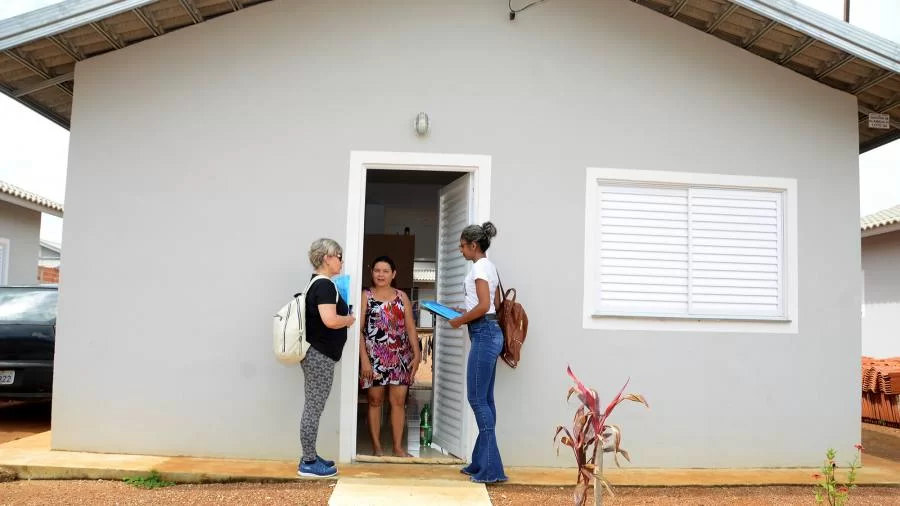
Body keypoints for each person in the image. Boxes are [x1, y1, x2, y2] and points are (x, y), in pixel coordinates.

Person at [448, 222, 508, 483]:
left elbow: (484, 306)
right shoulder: (489, 267)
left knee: (477, 399)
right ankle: (481, 462)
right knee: (486, 400)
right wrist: (465, 312)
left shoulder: (480, 268)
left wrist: (460, 320)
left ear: (474, 245)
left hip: (484, 333)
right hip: (489, 332)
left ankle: (491, 470)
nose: (460, 250)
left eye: (462, 245)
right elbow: (494, 304)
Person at [298, 238, 355, 478]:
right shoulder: (324, 286)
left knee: (314, 405)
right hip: (319, 356)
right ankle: (308, 462)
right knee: (313, 407)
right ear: (326, 258)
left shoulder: (318, 284)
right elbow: (330, 320)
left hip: (317, 354)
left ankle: (310, 455)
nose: (341, 261)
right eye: (338, 256)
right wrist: (348, 319)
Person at [359, 256, 421, 457]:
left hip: (400, 357)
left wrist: (417, 354)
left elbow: (410, 327)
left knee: (398, 402)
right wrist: (364, 361)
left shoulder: (402, 297)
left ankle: (398, 448)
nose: (381, 274)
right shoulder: (366, 296)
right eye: (377, 270)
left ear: (393, 274)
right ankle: (377, 448)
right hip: (374, 359)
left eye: (385, 271)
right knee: (375, 401)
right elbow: (358, 330)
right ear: (372, 273)